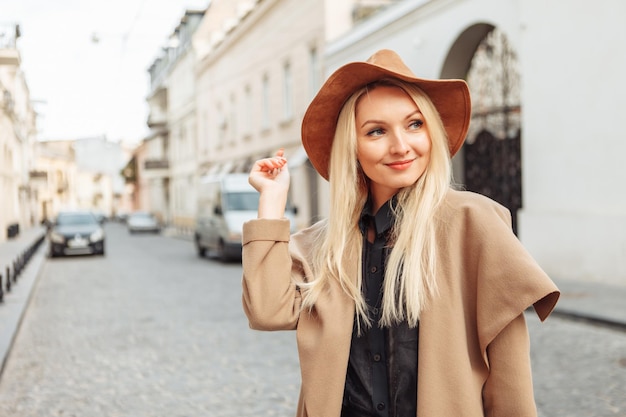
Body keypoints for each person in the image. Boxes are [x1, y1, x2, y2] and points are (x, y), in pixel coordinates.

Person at [242, 49, 560, 417]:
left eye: (414, 124)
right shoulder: (325, 244)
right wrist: (272, 198)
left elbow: (510, 382)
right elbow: (266, 311)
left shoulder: (473, 223)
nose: (401, 146)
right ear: (353, 147)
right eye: (376, 131)